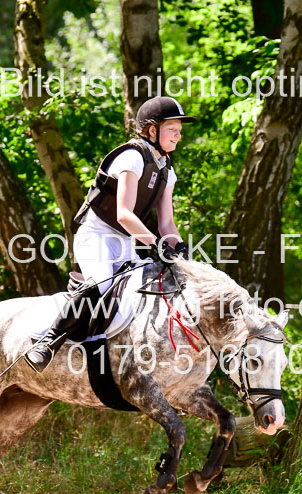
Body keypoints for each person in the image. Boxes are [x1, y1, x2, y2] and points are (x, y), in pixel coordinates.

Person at [23, 96, 195, 372]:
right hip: (96, 235)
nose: (178, 135)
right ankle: (47, 341)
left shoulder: (167, 171)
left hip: (125, 241)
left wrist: (179, 249)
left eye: (180, 130)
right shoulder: (132, 157)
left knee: (149, 285)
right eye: (172, 129)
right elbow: (124, 214)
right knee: (101, 284)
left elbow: (167, 225)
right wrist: (156, 244)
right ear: (152, 130)